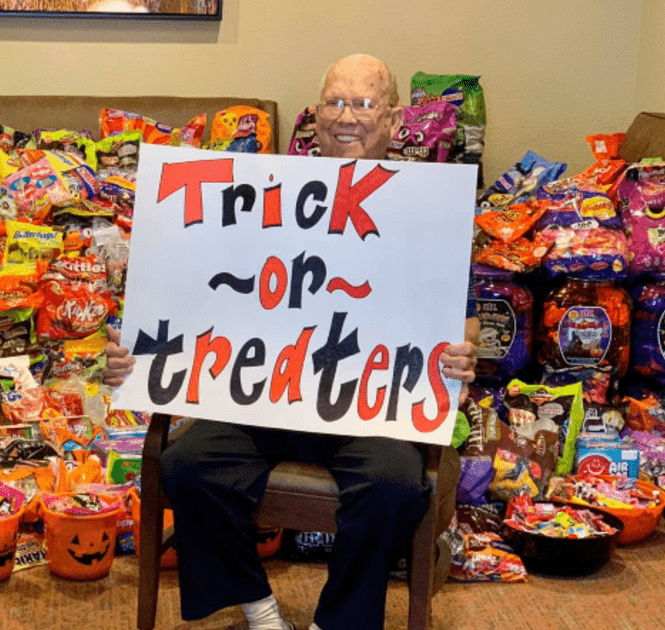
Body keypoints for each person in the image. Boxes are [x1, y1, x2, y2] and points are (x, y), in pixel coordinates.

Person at [103, 53, 479, 630]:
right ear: (315, 113)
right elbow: (192, 293)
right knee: (187, 465)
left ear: (395, 121)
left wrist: (462, 350)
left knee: (394, 485)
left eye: (363, 103)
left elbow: (463, 317)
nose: (346, 117)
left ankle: (337, 621)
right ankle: (259, 608)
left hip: (370, 408)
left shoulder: (427, 205)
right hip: (262, 397)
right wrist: (141, 352)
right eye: (334, 101)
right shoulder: (261, 192)